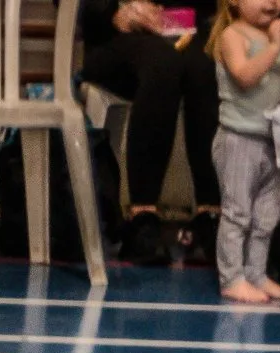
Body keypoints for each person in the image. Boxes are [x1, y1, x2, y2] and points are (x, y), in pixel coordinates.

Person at [80, 0, 224, 265]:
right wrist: (112, 12)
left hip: (187, 30)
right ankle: (142, 215)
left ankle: (210, 215)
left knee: (206, 66)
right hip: (115, 35)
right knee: (163, 64)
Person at [212, 0, 280, 303]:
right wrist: (274, 46)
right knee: (237, 212)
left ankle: (255, 273)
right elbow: (244, 75)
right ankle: (232, 277)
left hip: (273, 139)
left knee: (266, 215)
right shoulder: (232, 37)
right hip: (239, 139)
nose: (272, 2)